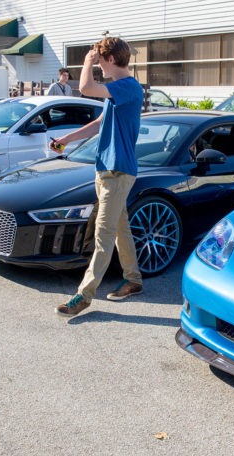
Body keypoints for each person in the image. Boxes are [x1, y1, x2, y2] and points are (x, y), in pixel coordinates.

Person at [49, 37, 145, 316]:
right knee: (120, 229)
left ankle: (84, 296)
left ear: (111, 60)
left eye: (101, 60)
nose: (99, 65)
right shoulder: (117, 92)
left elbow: (85, 87)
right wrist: (65, 139)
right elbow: (98, 125)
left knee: (103, 235)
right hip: (107, 169)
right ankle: (133, 279)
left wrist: (87, 62)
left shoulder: (127, 87)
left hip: (118, 171)